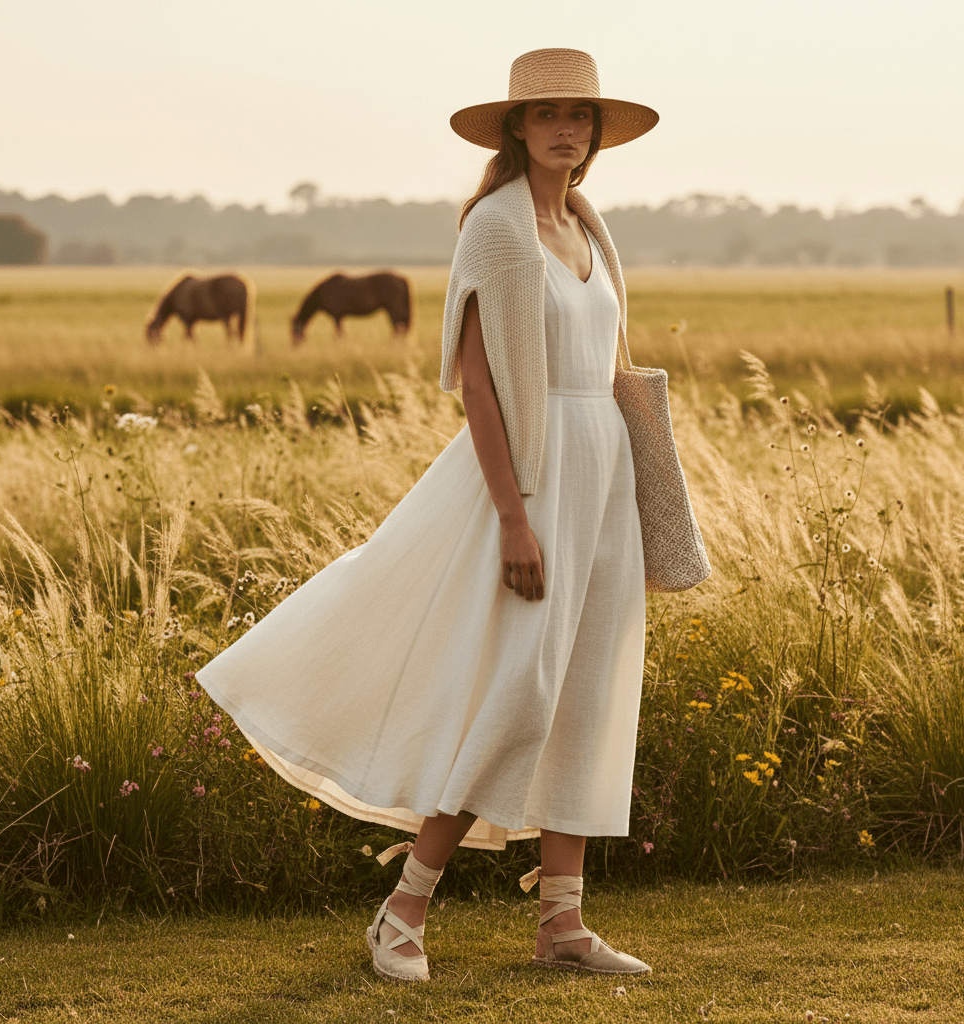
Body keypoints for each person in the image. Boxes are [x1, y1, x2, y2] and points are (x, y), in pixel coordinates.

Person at [197, 47, 668, 982]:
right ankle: (401, 912)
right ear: (516, 130)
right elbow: (477, 384)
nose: (566, 129)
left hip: (603, 476)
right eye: (546, 115)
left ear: (596, 132)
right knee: (515, 690)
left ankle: (562, 927)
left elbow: (604, 363)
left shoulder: (587, 221)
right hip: (529, 482)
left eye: (580, 114)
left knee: (589, 688)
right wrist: (512, 517)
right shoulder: (495, 226)